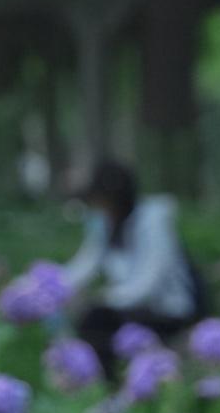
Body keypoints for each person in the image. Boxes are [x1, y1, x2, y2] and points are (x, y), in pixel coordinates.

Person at [65, 160, 205, 373]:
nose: (96, 207)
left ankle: (117, 383)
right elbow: (83, 265)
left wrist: (102, 298)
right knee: (92, 320)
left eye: (99, 200)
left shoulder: (153, 221)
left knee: (96, 320)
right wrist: (42, 289)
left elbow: (148, 283)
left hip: (168, 311)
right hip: (130, 309)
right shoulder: (106, 225)